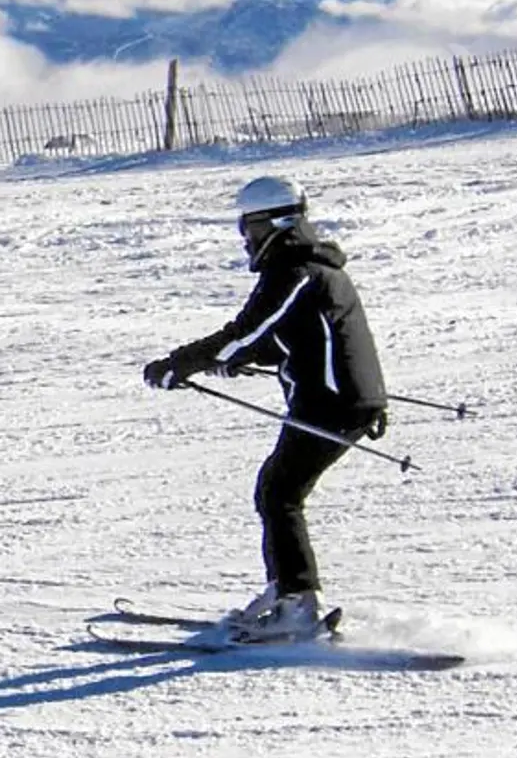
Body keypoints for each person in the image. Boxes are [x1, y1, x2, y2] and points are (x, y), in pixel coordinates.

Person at [142, 175, 388, 641]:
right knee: (278, 489)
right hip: (340, 399)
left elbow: (249, 331)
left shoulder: (295, 271)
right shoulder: (314, 268)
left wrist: (182, 364)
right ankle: (290, 593)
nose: (248, 241)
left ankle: (296, 603)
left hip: (329, 403)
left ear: (276, 223)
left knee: (278, 492)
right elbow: (288, 337)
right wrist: (241, 360)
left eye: (251, 230)